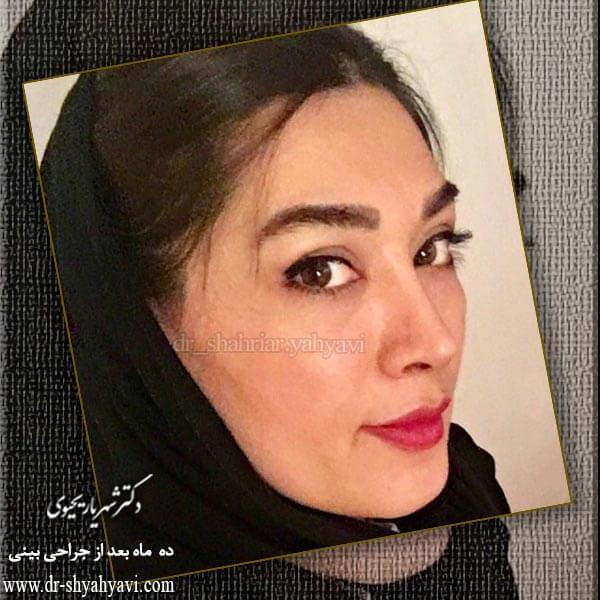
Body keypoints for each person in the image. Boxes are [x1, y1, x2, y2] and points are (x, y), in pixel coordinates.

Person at [37, 26, 514, 587]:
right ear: (138, 329)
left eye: (431, 249)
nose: (437, 342)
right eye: (320, 270)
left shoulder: (470, 497)